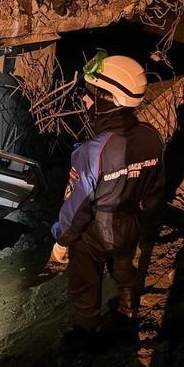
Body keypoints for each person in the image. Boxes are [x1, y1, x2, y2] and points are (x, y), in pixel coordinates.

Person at [49, 55, 164, 340]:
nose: (85, 101)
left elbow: (78, 209)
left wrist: (62, 242)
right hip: (130, 224)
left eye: (90, 94)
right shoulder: (152, 136)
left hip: (95, 232)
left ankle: (86, 331)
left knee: (85, 280)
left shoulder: (92, 151)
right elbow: (155, 191)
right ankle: (129, 307)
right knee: (123, 265)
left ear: (108, 98)